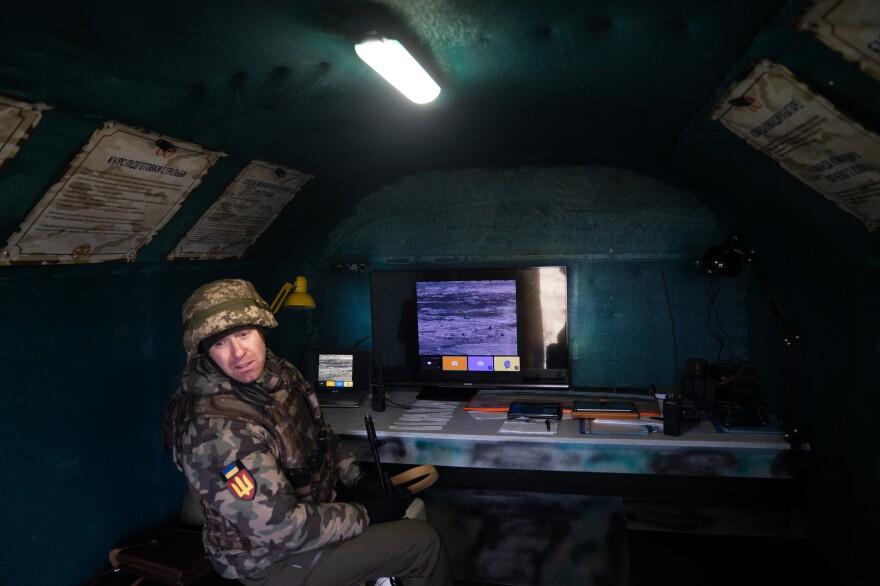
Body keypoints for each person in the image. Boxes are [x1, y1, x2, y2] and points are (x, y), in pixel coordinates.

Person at [164, 278, 453, 586]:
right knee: (422, 544)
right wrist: (366, 513)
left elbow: (321, 435)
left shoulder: (278, 374)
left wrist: (359, 479)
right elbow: (279, 528)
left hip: (312, 519)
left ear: (261, 329)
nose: (239, 354)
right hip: (270, 560)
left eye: (244, 334)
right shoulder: (218, 430)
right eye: (220, 343)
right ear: (205, 353)